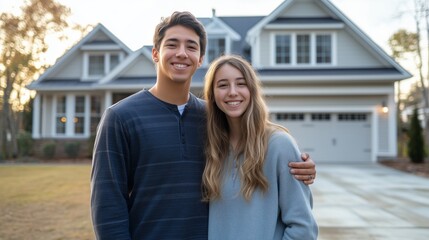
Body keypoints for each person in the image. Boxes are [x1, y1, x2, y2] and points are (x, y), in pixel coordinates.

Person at [90, 11, 316, 239]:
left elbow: (259, 143)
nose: (181, 53)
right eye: (172, 44)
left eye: (191, 46)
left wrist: (298, 166)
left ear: (200, 59)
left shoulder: (214, 118)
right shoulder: (120, 118)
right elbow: (108, 207)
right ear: (156, 53)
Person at [202, 54, 318, 239]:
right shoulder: (213, 148)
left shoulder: (279, 145)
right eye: (223, 85)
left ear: (252, 91)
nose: (232, 92)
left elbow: (303, 228)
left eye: (241, 84)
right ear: (213, 96)